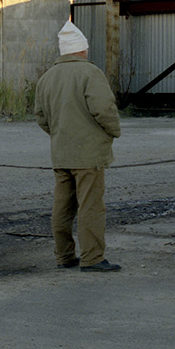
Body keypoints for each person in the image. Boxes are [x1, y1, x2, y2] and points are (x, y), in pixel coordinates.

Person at [33, 19, 123, 273]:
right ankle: (92, 258)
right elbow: (104, 110)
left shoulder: (47, 78)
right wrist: (113, 132)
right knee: (91, 206)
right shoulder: (90, 73)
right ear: (82, 49)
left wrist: (59, 135)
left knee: (62, 207)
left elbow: (41, 116)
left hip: (61, 153)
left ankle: (64, 256)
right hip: (89, 156)